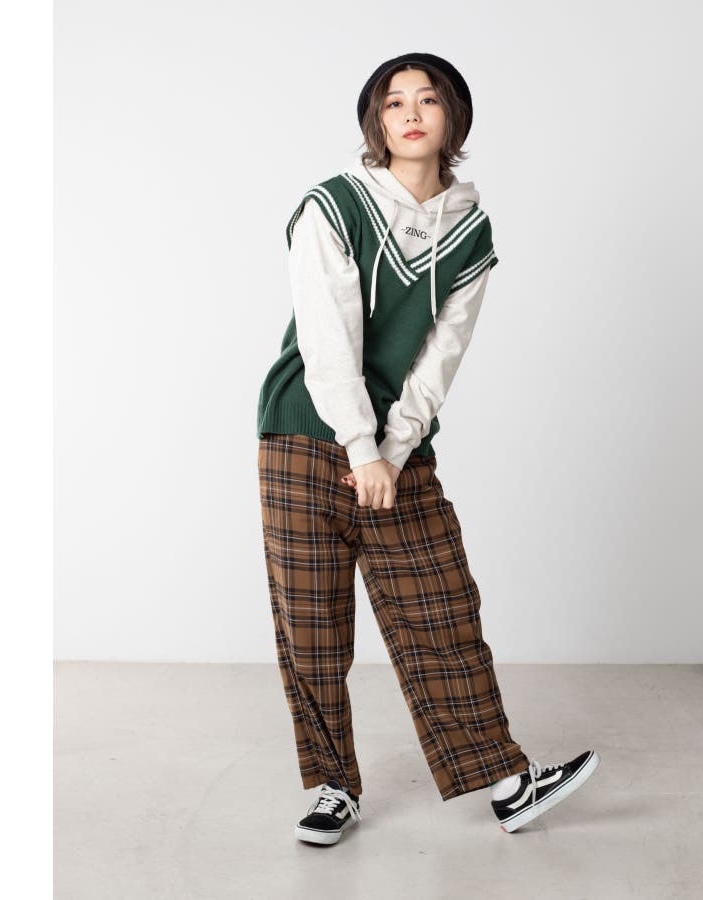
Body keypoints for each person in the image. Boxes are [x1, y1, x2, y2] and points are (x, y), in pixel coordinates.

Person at [256, 52, 599, 845]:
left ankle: (507, 782)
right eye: (393, 102)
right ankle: (332, 786)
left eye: (428, 99)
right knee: (311, 624)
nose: (410, 113)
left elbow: (442, 354)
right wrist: (358, 444)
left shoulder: (472, 230)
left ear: (454, 117)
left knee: (440, 605)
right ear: (375, 122)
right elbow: (328, 337)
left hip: (396, 449)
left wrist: (395, 446)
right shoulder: (332, 206)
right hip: (304, 430)